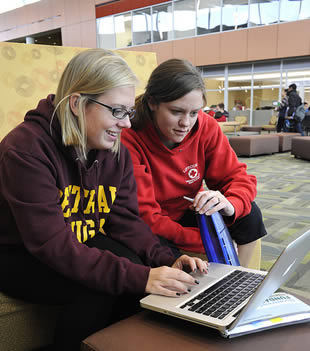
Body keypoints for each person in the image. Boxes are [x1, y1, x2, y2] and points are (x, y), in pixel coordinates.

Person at [0, 49, 208, 350]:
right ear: (77, 103)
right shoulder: (26, 151)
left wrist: (167, 259)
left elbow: (125, 221)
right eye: (116, 111)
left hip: (75, 240)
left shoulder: (115, 151)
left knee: (133, 263)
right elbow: (53, 246)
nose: (126, 124)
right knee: (98, 287)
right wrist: (141, 277)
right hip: (19, 254)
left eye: (129, 112)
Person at [121, 58, 267, 269]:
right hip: (151, 223)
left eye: (194, 112)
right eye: (176, 111)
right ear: (152, 103)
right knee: (154, 249)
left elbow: (237, 177)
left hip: (188, 210)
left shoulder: (206, 126)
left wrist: (230, 205)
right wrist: (209, 240)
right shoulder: (129, 136)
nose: (186, 123)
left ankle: (241, 283)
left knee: (250, 214)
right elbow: (146, 216)